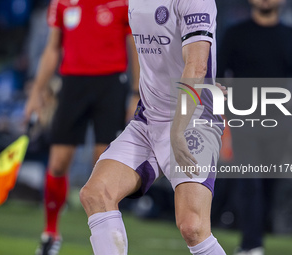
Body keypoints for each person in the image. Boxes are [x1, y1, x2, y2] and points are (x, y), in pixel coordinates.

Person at [80, 0, 227, 254]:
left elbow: (197, 65)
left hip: (193, 119)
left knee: (193, 227)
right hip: (148, 119)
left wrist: (178, 128)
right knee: (96, 194)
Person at [24, 0, 139, 254]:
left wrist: (135, 91)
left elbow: (135, 46)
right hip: (72, 84)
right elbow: (53, 48)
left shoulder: (123, 2)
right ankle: (50, 234)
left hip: (110, 85)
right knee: (57, 162)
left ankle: (105, 239)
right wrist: (37, 91)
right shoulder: (62, 2)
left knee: (104, 167)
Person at [218, 0, 292, 254]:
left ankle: (256, 236)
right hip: (244, 120)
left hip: (279, 122)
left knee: (268, 183)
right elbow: (220, 74)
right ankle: (251, 244)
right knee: (250, 181)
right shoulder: (235, 34)